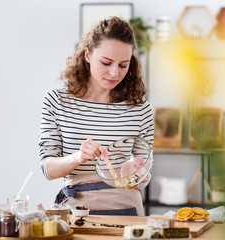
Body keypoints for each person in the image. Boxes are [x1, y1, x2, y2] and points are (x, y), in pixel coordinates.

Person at [39, 16, 154, 216]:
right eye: (106, 62)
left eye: (123, 65)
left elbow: (145, 170)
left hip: (128, 211)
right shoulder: (56, 102)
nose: (114, 73)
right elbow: (48, 169)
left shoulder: (140, 108)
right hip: (76, 212)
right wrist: (78, 157)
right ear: (88, 55)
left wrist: (138, 172)